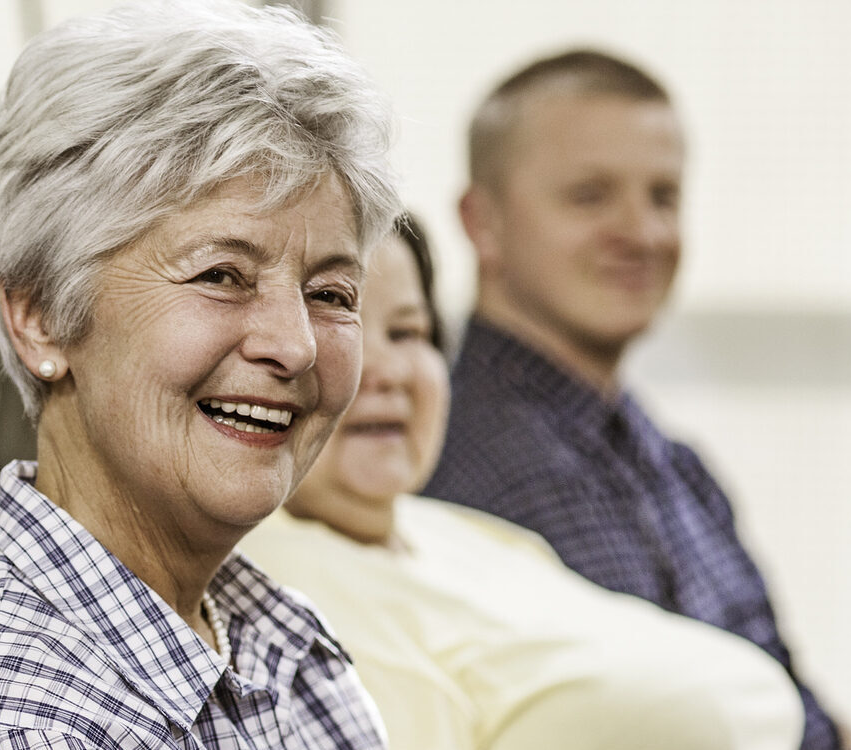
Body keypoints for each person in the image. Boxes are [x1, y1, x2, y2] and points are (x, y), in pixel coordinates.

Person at [0, 2, 399, 747]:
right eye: (222, 275)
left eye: (331, 293)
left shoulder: (273, 640)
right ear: (40, 315)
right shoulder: (20, 726)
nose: (297, 345)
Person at [239, 214, 804, 750]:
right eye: (342, 322)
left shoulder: (460, 533)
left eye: (409, 331)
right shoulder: (278, 583)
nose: (389, 371)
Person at [422, 48, 842, 748]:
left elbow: (787, 697)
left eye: (664, 197)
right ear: (482, 222)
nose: (642, 233)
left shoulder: (668, 460)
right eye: (590, 196)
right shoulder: (467, 465)